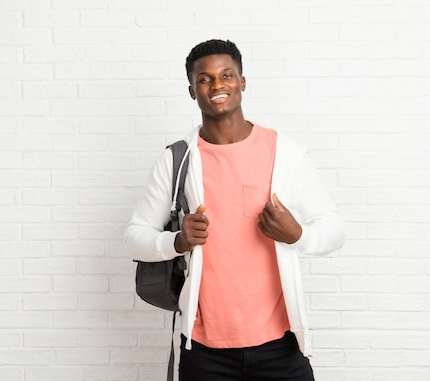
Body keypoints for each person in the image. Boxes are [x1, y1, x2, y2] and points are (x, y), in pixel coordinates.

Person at [124, 39, 345, 380]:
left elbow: (334, 228)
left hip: (280, 345)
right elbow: (135, 237)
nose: (217, 85)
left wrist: (298, 234)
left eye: (226, 75)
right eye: (205, 78)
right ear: (191, 91)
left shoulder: (284, 153)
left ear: (242, 82)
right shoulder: (177, 160)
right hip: (203, 349)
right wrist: (178, 242)